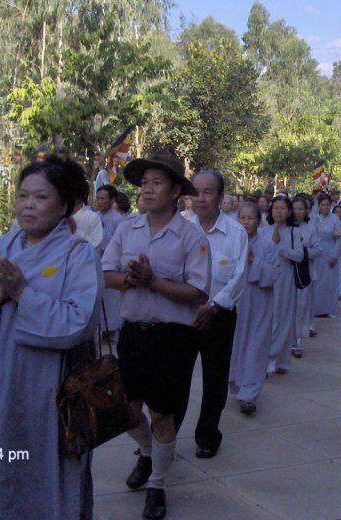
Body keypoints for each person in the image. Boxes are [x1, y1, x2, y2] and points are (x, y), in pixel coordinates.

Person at [0, 155, 102, 519]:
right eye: (23, 196)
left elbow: (78, 322)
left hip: (51, 390)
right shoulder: (4, 245)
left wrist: (24, 294)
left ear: (65, 205)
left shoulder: (78, 254)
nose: (28, 205)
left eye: (40, 197)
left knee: (49, 478)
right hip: (4, 382)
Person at [102, 150, 210, 520]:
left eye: (157, 183)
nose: (147, 189)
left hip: (172, 340)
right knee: (127, 411)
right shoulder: (126, 228)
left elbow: (198, 293)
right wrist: (129, 279)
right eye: (144, 183)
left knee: (163, 416)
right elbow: (106, 273)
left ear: (176, 190)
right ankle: (148, 454)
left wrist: (153, 282)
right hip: (133, 334)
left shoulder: (191, 236)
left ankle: (158, 485)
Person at [174, 170, 248, 459]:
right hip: (182, 315)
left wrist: (213, 306)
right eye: (196, 192)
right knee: (175, 378)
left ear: (220, 196)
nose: (200, 198)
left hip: (218, 316)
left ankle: (207, 435)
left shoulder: (235, 232)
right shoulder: (180, 227)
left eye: (208, 192)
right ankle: (164, 435)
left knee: (215, 380)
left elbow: (239, 277)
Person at [229, 202, 280, 415]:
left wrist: (253, 261)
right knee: (235, 344)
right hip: (237, 303)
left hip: (259, 303)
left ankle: (250, 395)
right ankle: (236, 385)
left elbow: (273, 273)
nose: (246, 222)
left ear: (259, 222)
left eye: (251, 218)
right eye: (243, 218)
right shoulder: (232, 243)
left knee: (256, 346)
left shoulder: (268, 246)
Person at [260, 195, 304, 374]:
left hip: (286, 280)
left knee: (284, 317)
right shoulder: (263, 231)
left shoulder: (294, 232)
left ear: (289, 211)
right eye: (276, 208)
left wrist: (280, 247)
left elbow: (299, 256)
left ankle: (281, 361)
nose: (279, 211)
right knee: (267, 319)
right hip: (266, 281)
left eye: (283, 208)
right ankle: (266, 359)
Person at [291, 195, 321, 356]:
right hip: (285, 275)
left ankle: (296, 341)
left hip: (303, 274)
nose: (298, 212)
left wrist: (302, 252)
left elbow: (318, 250)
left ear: (306, 211)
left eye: (301, 209)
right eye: (294, 209)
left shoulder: (310, 229)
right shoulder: (284, 228)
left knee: (300, 307)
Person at [97, 184, 124, 346]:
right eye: (98, 198)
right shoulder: (94, 217)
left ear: (112, 200)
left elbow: (118, 243)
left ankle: (112, 329)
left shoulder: (117, 219)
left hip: (112, 264)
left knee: (111, 299)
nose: (99, 202)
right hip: (96, 262)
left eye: (103, 198)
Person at [312, 194, 341, 318]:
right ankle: (317, 308)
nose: (325, 207)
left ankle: (329, 308)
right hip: (318, 252)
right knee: (318, 281)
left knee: (329, 281)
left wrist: (334, 256)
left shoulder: (335, 219)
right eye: (323, 205)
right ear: (319, 206)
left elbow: (339, 239)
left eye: (327, 205)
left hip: (330, 250)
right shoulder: (316, 219)